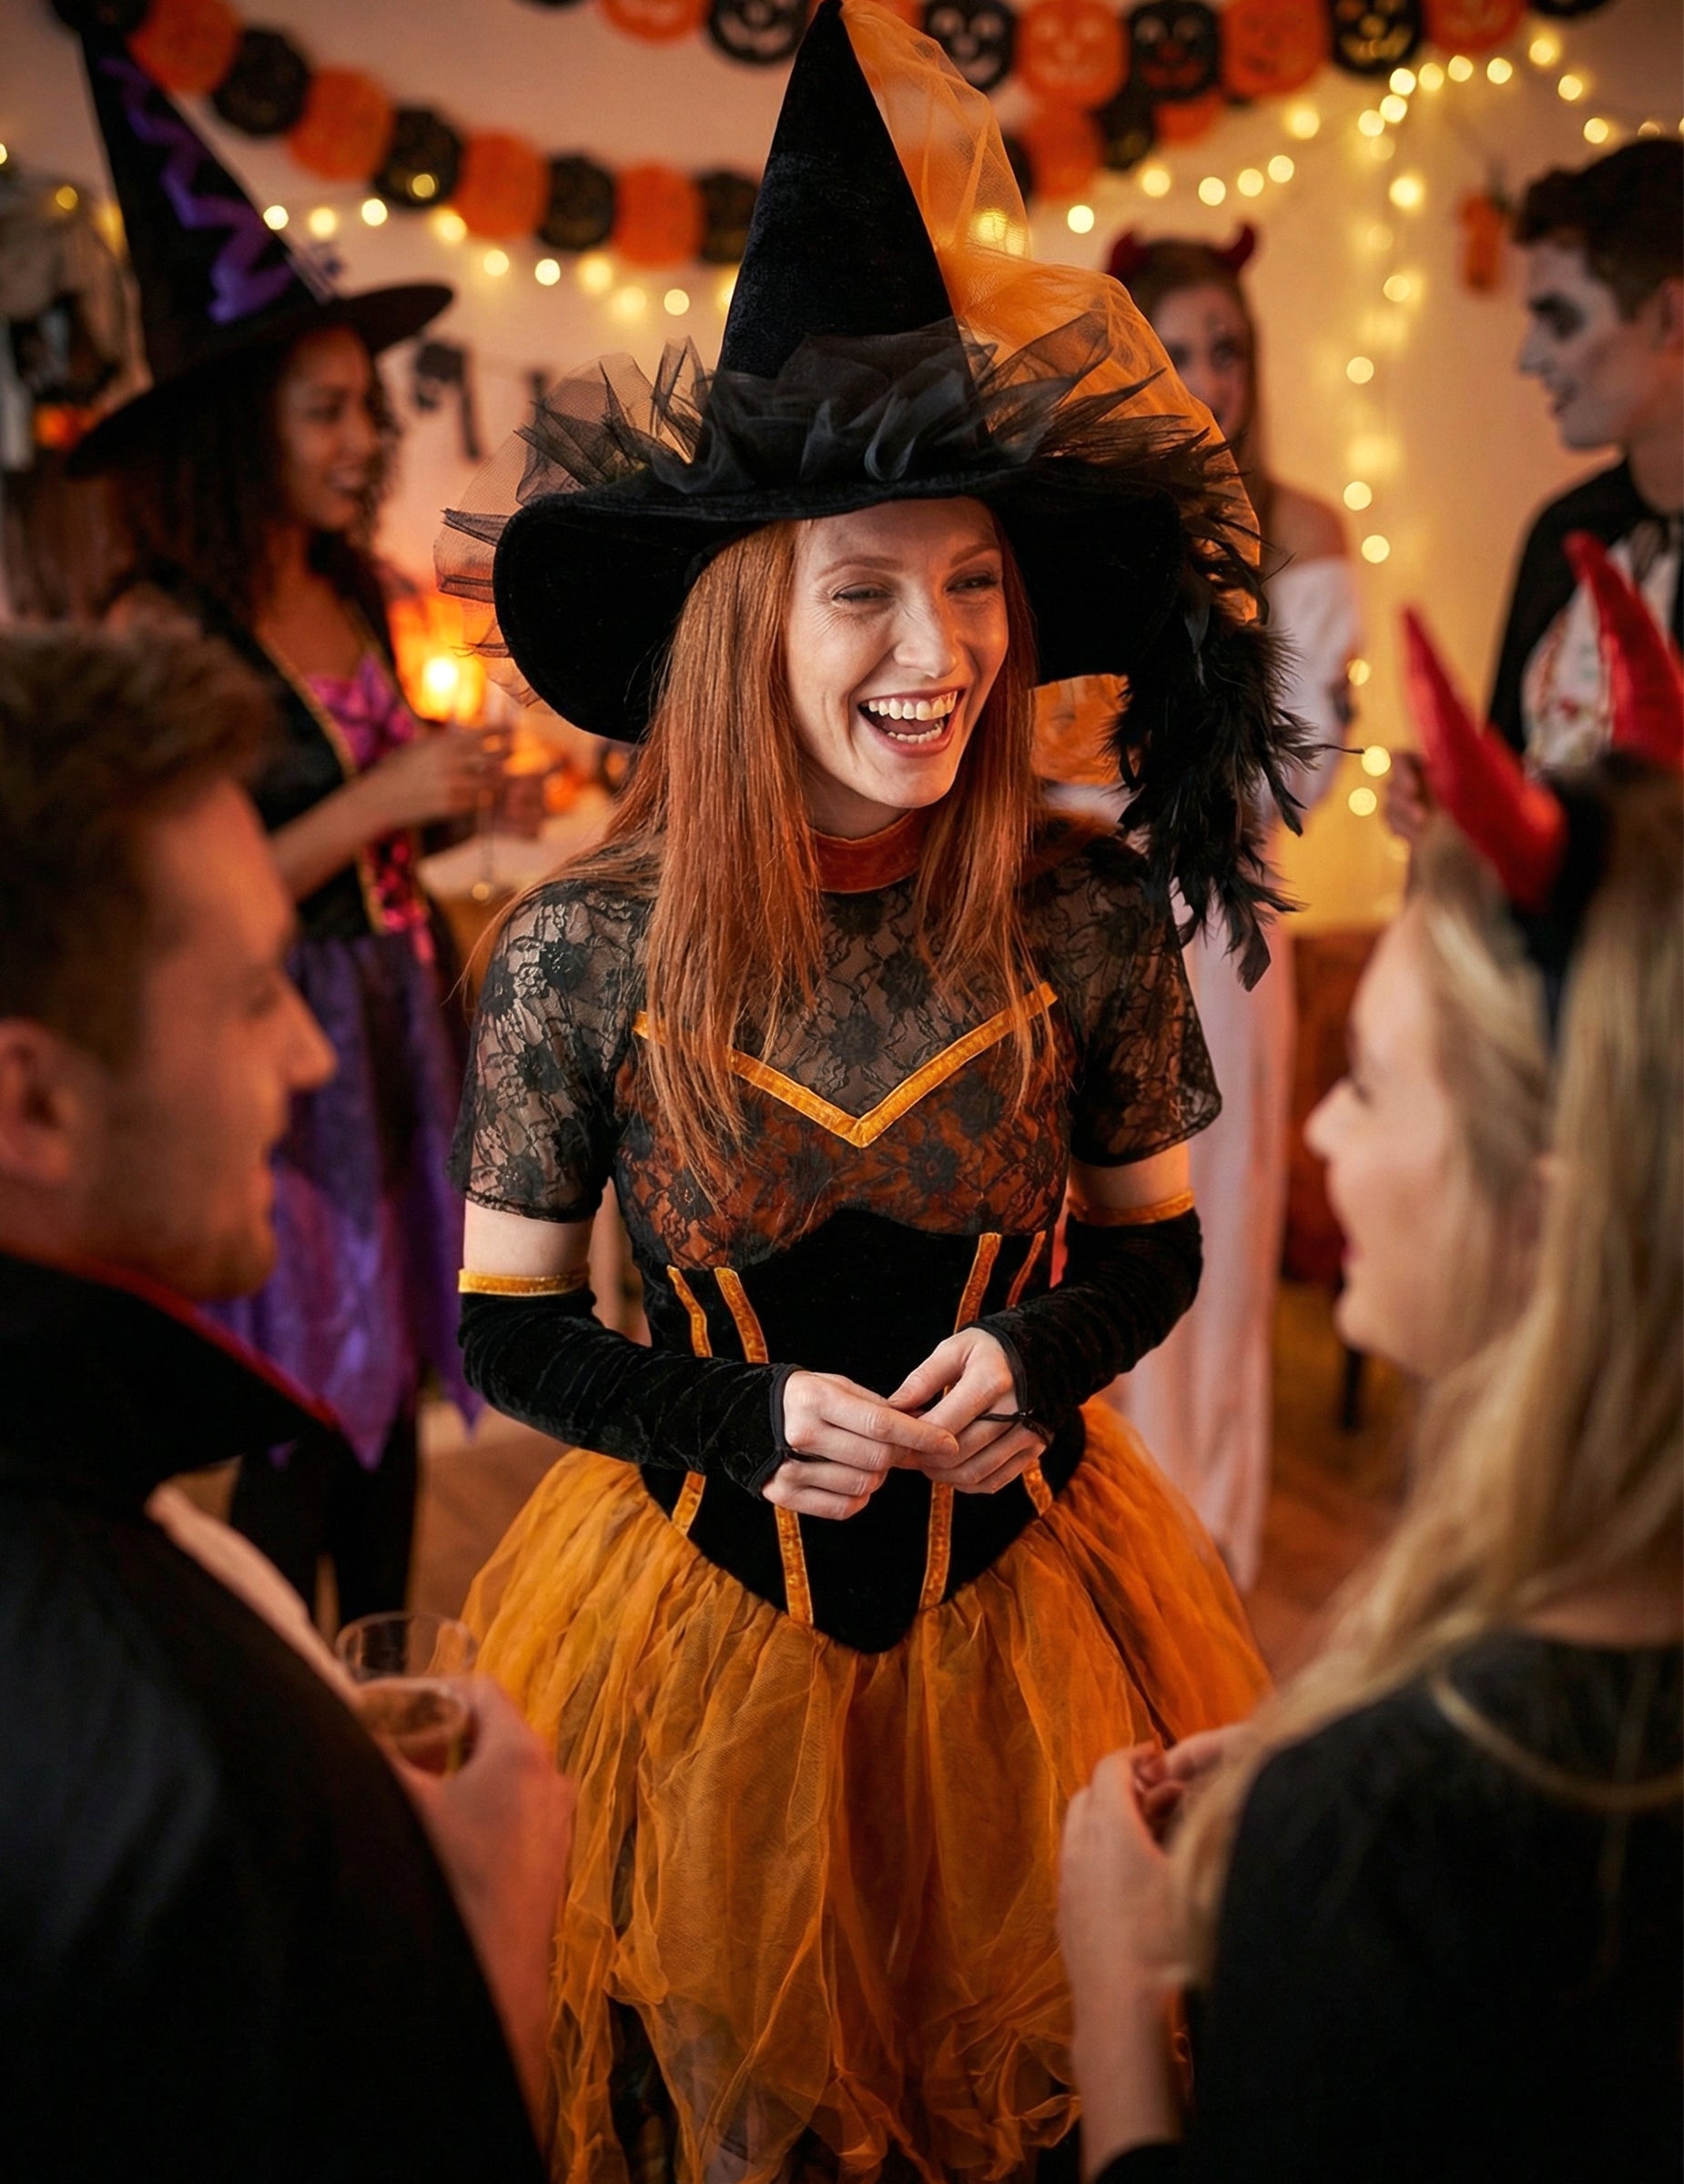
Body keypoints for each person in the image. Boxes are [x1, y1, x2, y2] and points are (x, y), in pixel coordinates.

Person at [433, 4, 1311, 2176]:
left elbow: (1157, 1247)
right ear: (747, 619)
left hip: (1041, 1611)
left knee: (1043, 2073)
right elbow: (507, 1320)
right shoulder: (580, 946)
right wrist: (738, 1418)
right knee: (744, 2103)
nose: (941, 654)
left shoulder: (1084, 912)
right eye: (865, 593)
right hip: (694, 1625)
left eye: (974, 583)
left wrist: (1036, 1353)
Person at [1058, 545, 1682, 2181]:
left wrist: (1118, 1992)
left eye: (1377, 1086)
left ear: (1547, 1220)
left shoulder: (1376, 1851)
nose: (1322, 1130)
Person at [0, 625, 572, 2181]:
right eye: (254, 993)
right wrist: (486, 1957)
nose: (315, 1052)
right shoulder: (177, 1774)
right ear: (34, 1100)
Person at [66, 33, 502, 1624]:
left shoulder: (346, 594)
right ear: (233, 425)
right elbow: (154, 889)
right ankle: (278, 1689)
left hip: (396, 1019)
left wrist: (446, 808)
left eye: (363, 411)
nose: (361, 442)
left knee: (390, 1401)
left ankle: (379, 1675)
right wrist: (379, 801)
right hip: (273, 1037)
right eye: (325, 411)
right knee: (303, 1395)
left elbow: (374, 842)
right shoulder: (155, 625)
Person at [1096, 225, 1355, 1590]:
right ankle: (1089, 1545)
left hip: (1219, 928)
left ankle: (1202, 1552)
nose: (1208, 380)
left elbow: (1290, 779)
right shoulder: (1080, 526)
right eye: (1177, 351)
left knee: (1216, 1236)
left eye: (1228, 350)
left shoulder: (1296, 532)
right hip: (1080, 921)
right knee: (1083, 1235)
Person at [1390, 140, 1681, 835]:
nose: (1529, 357)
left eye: (1561, 319)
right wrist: (1454, 810)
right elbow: (1514, 786)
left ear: (1670, 316)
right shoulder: (1568, 532)